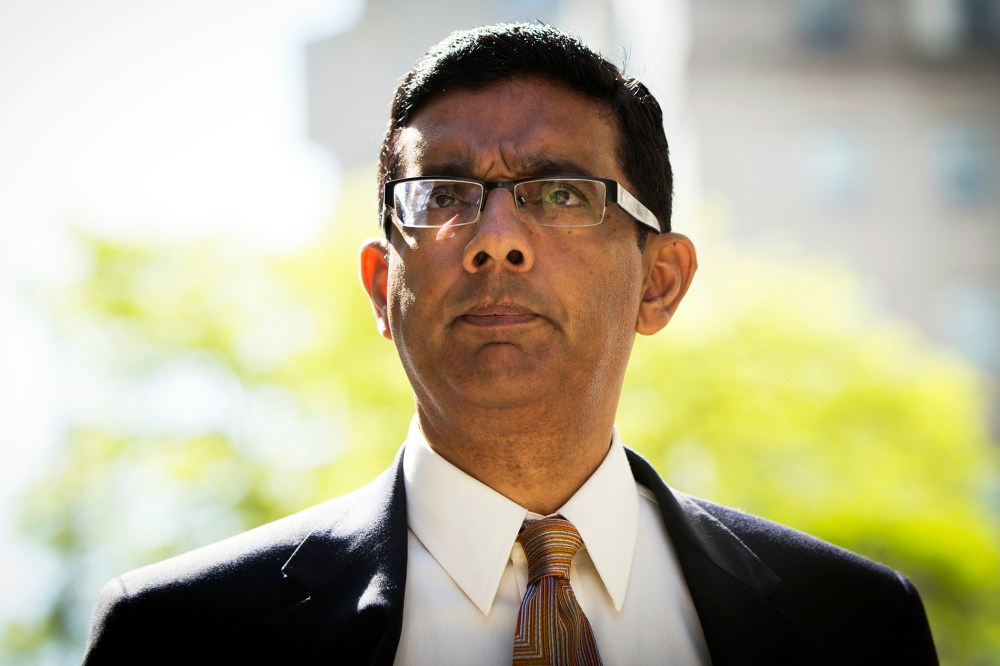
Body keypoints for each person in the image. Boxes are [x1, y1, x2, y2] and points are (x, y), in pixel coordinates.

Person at [82, 23, 938, 665]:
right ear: (381, 288)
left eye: (560, 193)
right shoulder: (178, 636)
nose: (495, 240)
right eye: (443, 194)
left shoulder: (856, 625)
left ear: (660, 281)